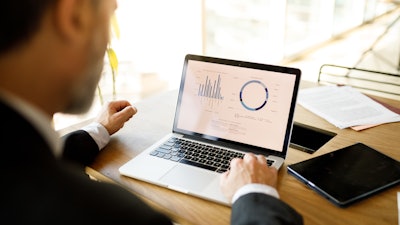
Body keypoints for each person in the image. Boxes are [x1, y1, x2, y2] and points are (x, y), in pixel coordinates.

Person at [0, 0, 302, 224]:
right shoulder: (110, 215)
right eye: (110, 12)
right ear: (73, 15)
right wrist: (253, 195)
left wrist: (98, 130)